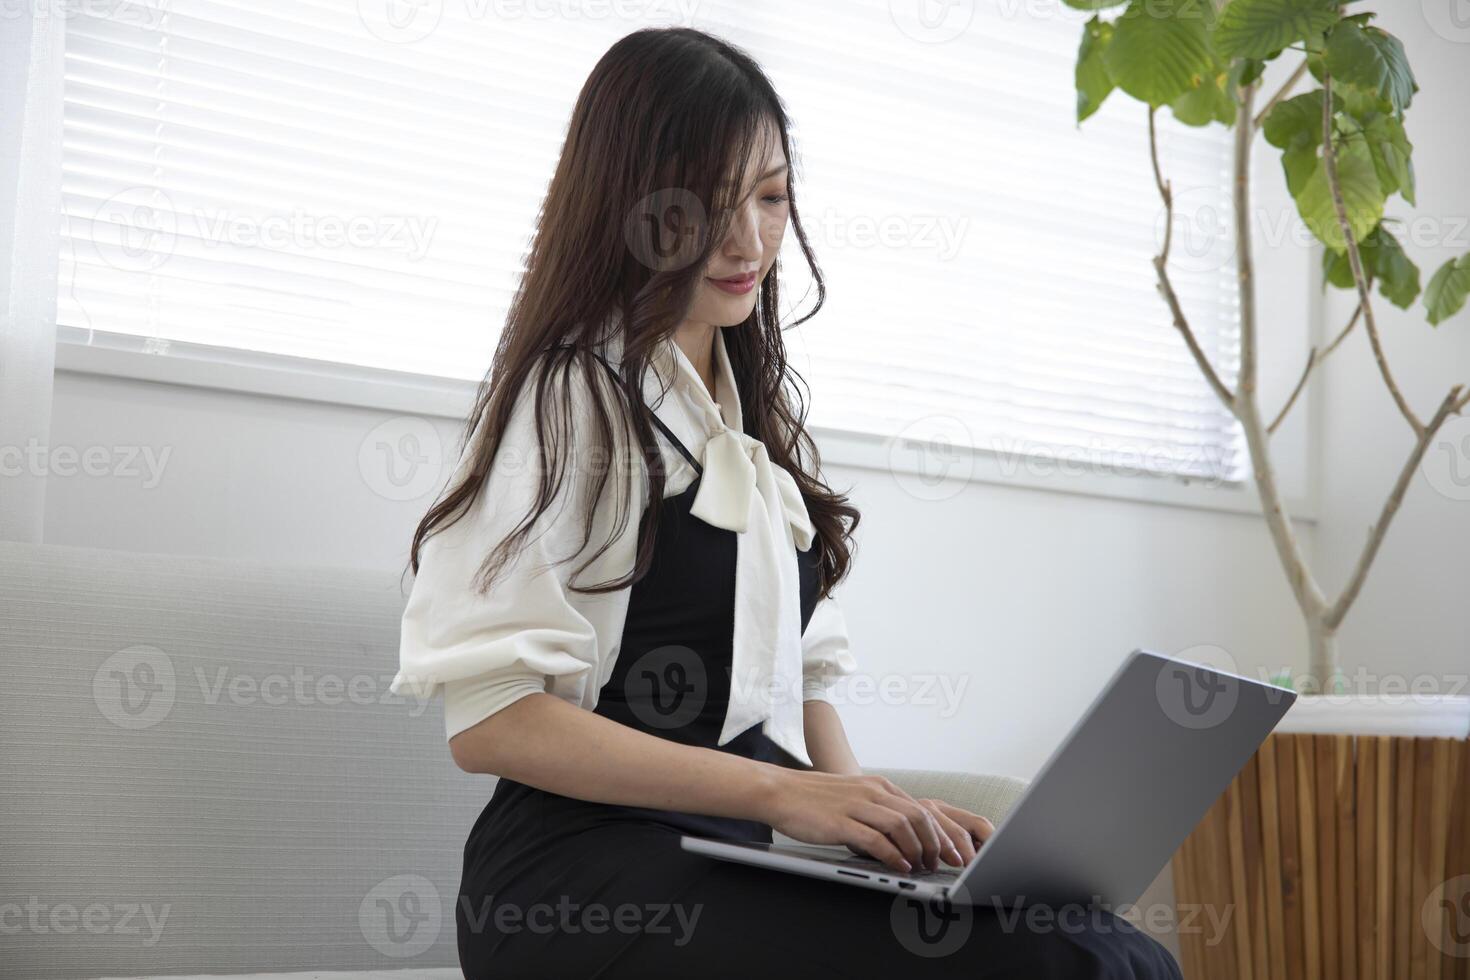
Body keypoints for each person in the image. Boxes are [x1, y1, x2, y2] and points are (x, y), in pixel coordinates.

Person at [391, 25, 1183, 979]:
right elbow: (493, 724)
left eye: (770, 198)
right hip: (576, 889)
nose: (748, 240)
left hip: (726, 859)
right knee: (1052, 968)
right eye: (707, 206)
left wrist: (878, 820)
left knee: (1113, 949)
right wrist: (780, 795)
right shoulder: (569, 397)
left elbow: (801, 696)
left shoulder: (751, 423)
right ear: (629, 207)